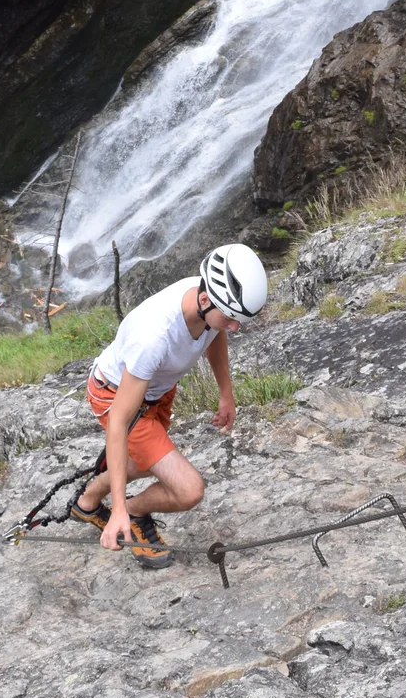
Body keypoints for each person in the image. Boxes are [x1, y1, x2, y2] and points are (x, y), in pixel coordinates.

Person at [67, 243, 268, 569]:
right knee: (189, 490)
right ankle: (134, 511)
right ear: (205, 300)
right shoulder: (154, 337)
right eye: (232, 318)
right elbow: (119, 421)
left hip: (156, 391)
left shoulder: (206, 303)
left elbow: (214, 333)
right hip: (118, 394)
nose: (235, 327)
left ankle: (87, 501)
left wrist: (226, 393)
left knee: (147, 462)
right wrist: (118, 508)